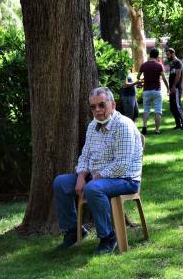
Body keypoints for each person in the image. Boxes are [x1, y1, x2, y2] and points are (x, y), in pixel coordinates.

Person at [53, 87, 143, 255]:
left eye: (102, 105)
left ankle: (108, 237)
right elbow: (85, 155)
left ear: (113, 104)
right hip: (96, 178)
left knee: (93, 188)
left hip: (125, 179)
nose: (98, 110)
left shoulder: (123, 125)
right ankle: (74, 231)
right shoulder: (92, 125)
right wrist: (81, 176)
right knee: (61, 182)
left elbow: (122, 165)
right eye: (93, 107)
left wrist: (95, 178)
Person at [137, 48, 169, 135]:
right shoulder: (159, 65)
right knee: (158, 111)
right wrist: (168, 88)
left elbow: (138, 77)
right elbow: (164, 78)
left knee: (146, 110)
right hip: (156, 91)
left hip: (146, 91)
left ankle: (144, 127)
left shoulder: (144, 65)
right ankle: (157, 130)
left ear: (149, 55)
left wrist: (143, 80)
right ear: (157, 55)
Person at [165, 48, 183, 131]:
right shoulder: (172, 63)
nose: (167, 56)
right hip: (172, 88)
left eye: (168, 54)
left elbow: (178, 75)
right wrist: (169, 88)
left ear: (173, 53)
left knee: (178, 106)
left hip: (176, 88)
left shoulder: (178, 63)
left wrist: (174, 86)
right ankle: (178, 124)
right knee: (172, 107)